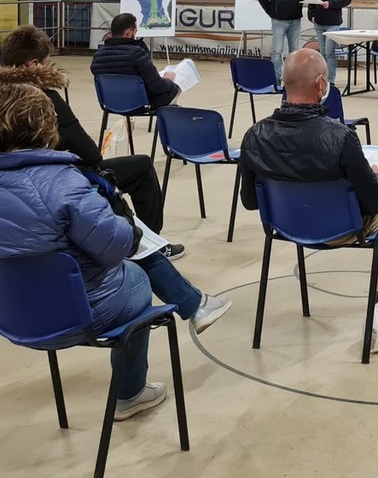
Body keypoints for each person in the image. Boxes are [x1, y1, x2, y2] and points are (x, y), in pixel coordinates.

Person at [0, 83, 231, 421]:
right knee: (136, 272)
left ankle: (194, 304)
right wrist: (126, 223)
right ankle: (130, 392)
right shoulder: (64, 183)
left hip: (12, 315)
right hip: (77, 314)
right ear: (46, 126)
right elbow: (118, 246)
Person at [239, 49, 378, 335]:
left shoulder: (254, 135)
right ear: (321, 84)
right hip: (341, 228)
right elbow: (373, 202)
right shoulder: (341, 137)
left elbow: (250, 201)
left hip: (284, 226)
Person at [0, 25, 184, 260]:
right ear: (33, 64)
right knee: (141, 167)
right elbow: (89, 155)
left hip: (11, 182)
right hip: (57, 180)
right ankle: (151, 247)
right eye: (46, 62)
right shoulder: (44, 100)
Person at [90, 13, 180, 108]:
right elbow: (157, 86)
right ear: (129, 33)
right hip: (139, 104)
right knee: (175, 86)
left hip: (110, 104)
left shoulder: (97, 57)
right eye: (135, 32)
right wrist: (168, 80)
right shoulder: (137, 53)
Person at [258, 0, 308, 82]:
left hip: (295, 20)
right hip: (279, 21)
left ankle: (293, 77)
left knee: (295, 51)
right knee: (277, 51)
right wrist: (272, 12)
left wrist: (296, 10)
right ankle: (276, 78)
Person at [307, 0, 352, 85]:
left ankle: (330, 80)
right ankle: (322, 77)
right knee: (322, 52)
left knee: (329, 51)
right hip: (318, 22)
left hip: (333, 22)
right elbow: (311, 0)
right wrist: (311, 16)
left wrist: (331, 4)